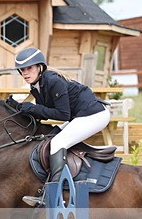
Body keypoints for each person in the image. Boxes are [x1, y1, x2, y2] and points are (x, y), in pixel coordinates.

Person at [6, 47, 111, 207]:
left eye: (29, 68)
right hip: (79, 115)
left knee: (57, 143)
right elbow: (44, 114)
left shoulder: (53, 81)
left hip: (94, 115)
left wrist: (30, 108)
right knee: (49, 137)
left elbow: (63, 114)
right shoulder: (37, 85)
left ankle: (55, 193)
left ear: (40, 67)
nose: (25, 73)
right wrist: (18, 107)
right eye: (22, 70)